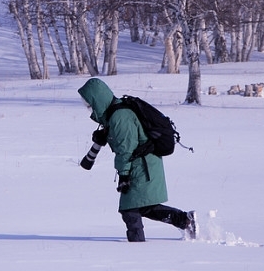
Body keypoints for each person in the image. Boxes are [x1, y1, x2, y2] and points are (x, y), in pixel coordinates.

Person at [78, 77, 197, 242]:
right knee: (145, 207)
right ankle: (186, 221)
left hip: (143, 166)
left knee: (130, 208)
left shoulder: (120, 117)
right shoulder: (115, 114)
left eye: (89, 103)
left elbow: (125, 150)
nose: (88, 108)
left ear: (97, 100)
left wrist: (124, 176)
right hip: (145, 164)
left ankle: (137, 249)